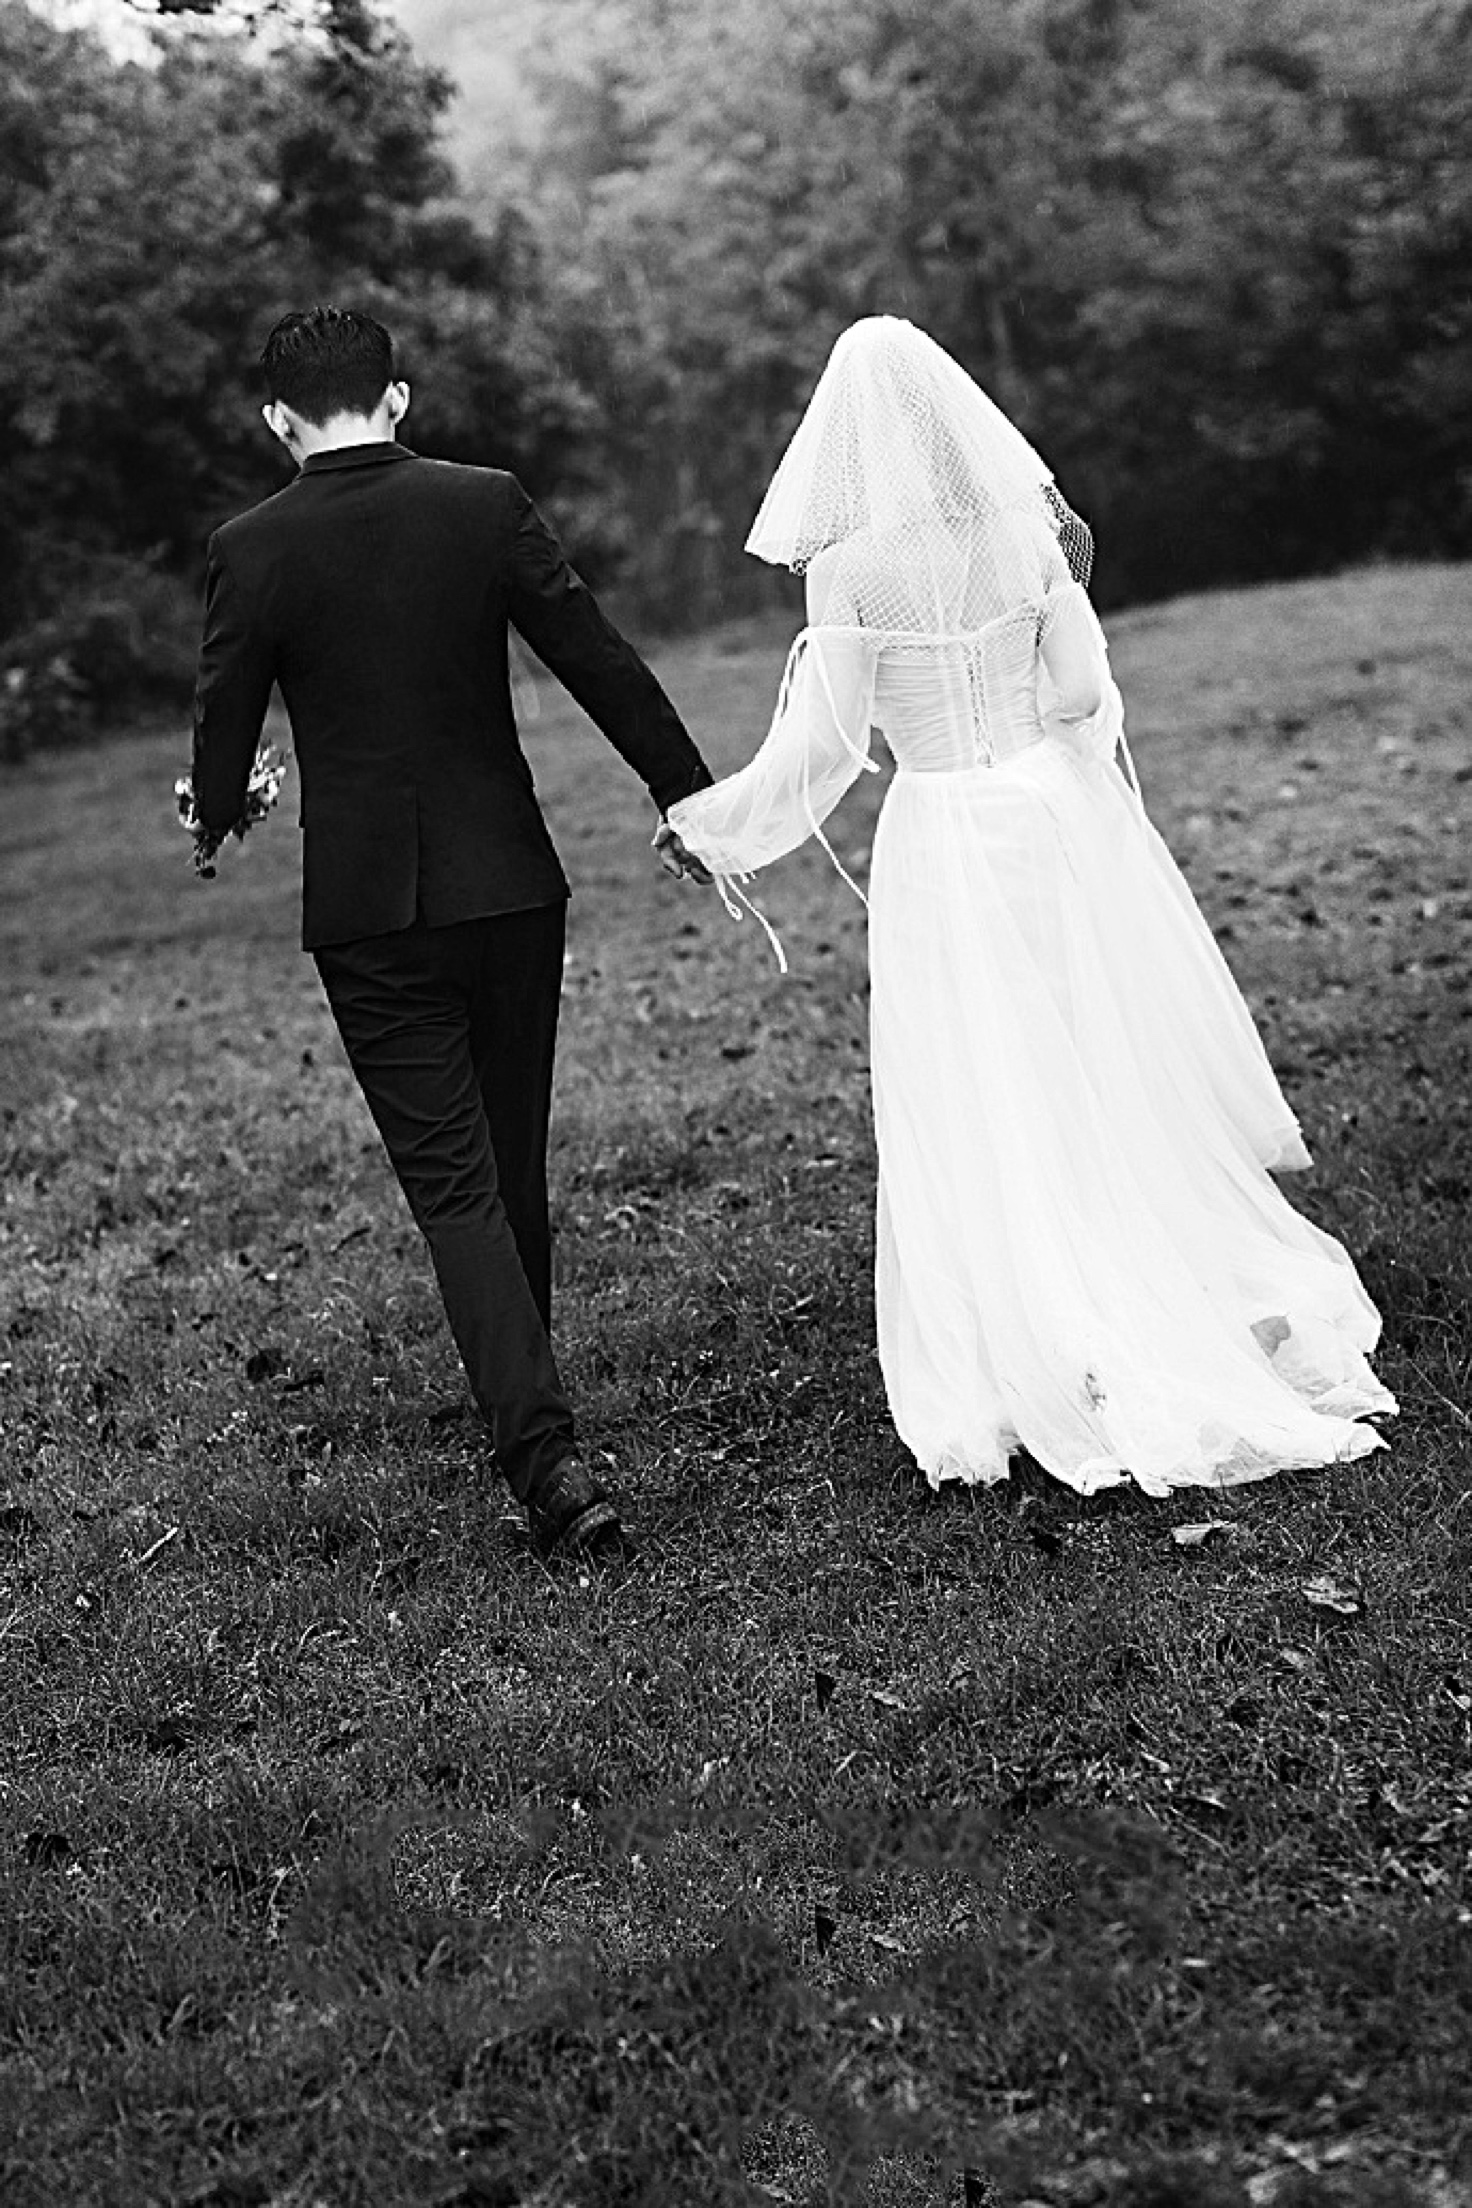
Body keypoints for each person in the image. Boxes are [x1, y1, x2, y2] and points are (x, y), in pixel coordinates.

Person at [659, 315, 1396, 1496]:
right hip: (1049, 818)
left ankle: (1044, 1326)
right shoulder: (1024, 532)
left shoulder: (849, 570)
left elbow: (828, 750)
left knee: (984, 1071)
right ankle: (1153, 1278)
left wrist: (713, 830)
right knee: (1090, 1052)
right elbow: (1083, 693)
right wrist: (1066, 780)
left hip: (946, 834)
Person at [189, 305, 713, 1558]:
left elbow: (222, 741)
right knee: (506, 1162)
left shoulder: (249, 549)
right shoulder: (482, 504)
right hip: (510, 886)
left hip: (369, 913)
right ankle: (523, 1386)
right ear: (398, 398)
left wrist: (219, 807)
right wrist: (686, 796)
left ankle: (543, 1460)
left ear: (276, 419)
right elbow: (595, 655)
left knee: (455, 1189)